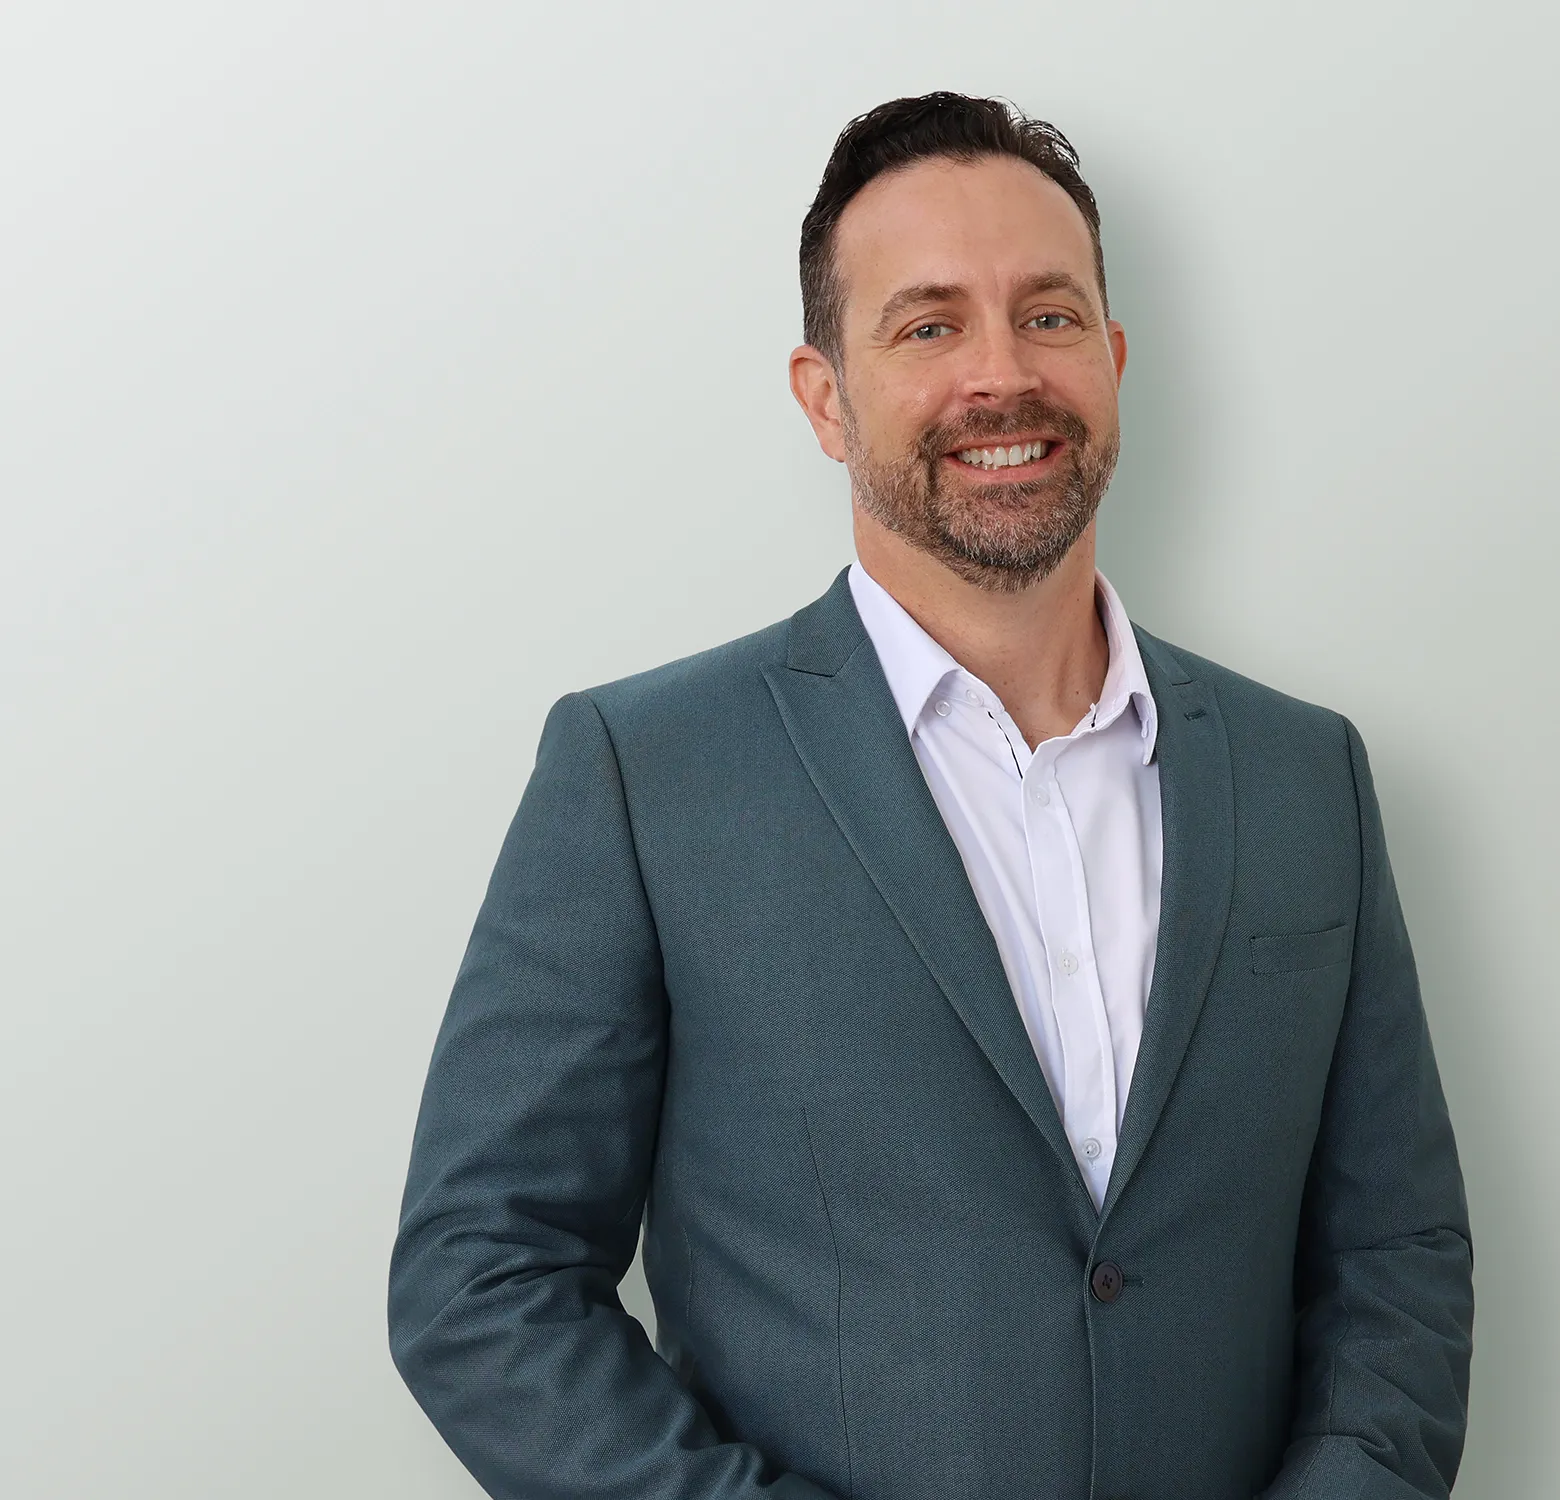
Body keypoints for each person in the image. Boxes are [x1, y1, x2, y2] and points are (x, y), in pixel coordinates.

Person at [387, 92, 1473, 1500]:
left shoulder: (1303, 773)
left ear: (1115, 359)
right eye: (927, 327)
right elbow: (483, 1275)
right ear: (824, 397)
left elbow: (1397, 1254)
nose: (1001, 375)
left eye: (1049, 315)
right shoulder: (644, 773)